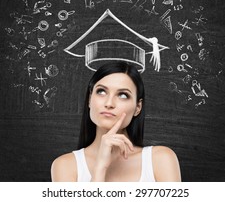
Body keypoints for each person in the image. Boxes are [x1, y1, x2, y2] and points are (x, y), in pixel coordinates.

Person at [51, 61, 181, 182]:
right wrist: (100, 168)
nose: (109, 103)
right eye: (101, 91)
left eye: (123, 95)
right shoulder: (65, 166)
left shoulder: (160, 159)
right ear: (90, 99)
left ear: (137, 108)